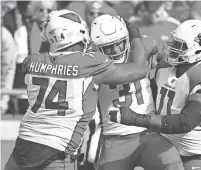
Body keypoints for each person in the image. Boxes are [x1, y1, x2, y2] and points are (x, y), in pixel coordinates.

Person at [4, 9, 148, 170]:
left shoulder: (31, 61)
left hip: (24, 145)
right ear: (78, 33)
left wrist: (49, 35)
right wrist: (134, 33)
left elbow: (49, 58)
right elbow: (139, 69)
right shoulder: (89, 64)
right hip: (57, 151)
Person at [110, 20, 201, 170]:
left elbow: (185, 122)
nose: (172, 48)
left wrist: (135, 119)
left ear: (198, 50)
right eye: (174, 42)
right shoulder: (166, 67)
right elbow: (152, 97)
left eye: (180, 46)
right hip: (168, 146)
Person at [86, 14, 183, 170]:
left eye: (119, 43)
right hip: (114, 137)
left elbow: (160, 61)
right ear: (97, 48)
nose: (116, 50)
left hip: (147, 133)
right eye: (109, 47)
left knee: (171, 162)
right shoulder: (92, 65)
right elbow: (136, 69)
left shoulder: (146, 44)